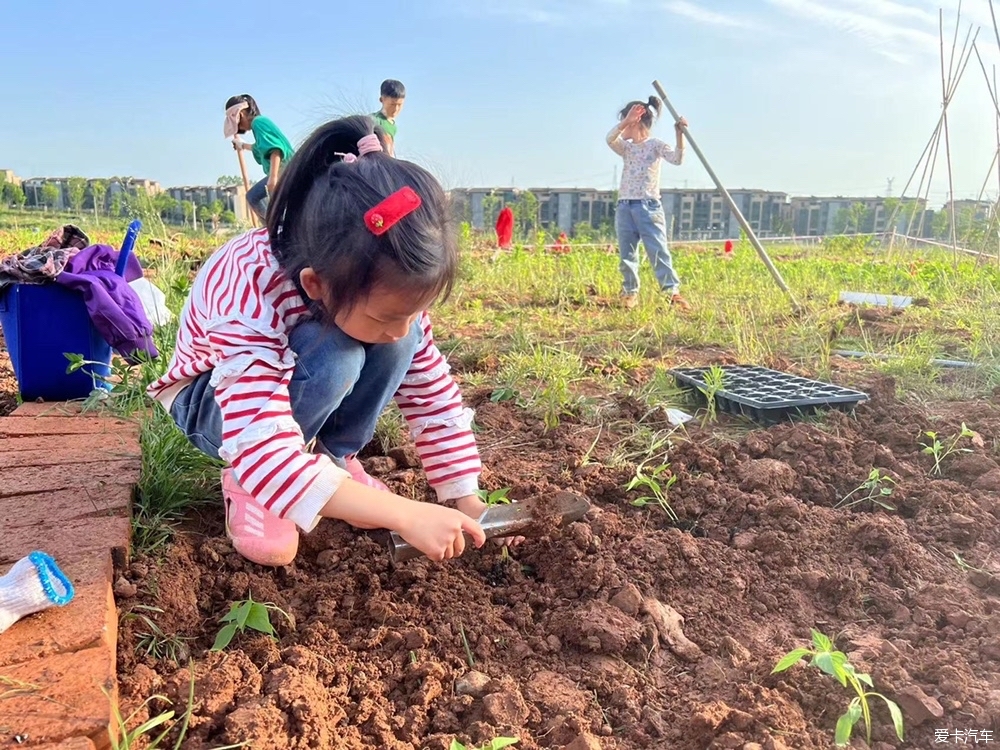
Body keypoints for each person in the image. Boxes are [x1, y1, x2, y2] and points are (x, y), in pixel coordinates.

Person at [150, 115, 491, 567]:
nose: (403, 327)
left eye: (413, 312)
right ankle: (248, 485)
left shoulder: (378, 286)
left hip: (290, 376)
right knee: (338, 357)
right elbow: (260, 445)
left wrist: (467, 499)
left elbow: (431, 394)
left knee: (400, 348)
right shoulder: (249, 286)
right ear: (315, 285)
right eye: (387, 315)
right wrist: (403, 513)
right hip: (215, 403)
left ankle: (332, 461)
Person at [606, 96, 690, 311]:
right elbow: (609, 138)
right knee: (627, 254)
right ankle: (629, 293)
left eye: (625, 119)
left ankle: (672, 292)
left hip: (648, 206)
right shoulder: (626, 148)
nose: (622, 125)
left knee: (657, 250)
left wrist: (680, 134)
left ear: (637, 117)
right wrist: (626, 122)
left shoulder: (655, 145)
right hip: (625, 205)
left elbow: (677, 159)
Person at [224, 94, 295, 221]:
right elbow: (260, 147)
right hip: (286, 170)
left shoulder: (258, 123)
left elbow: (275, 149)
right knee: (276, 205)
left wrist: (273, 178)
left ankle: (275, 228)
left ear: (241, 114)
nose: (239, 127)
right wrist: (242, 145)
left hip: (284, 170)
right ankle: (276, 226)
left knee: (253, 197)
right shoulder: (259, 125)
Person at [372, 79, 405, 157]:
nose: (396, 109)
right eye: (392, 104)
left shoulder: (393, 125)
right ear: (381, 100)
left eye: (399, 105)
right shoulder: (374, 120)